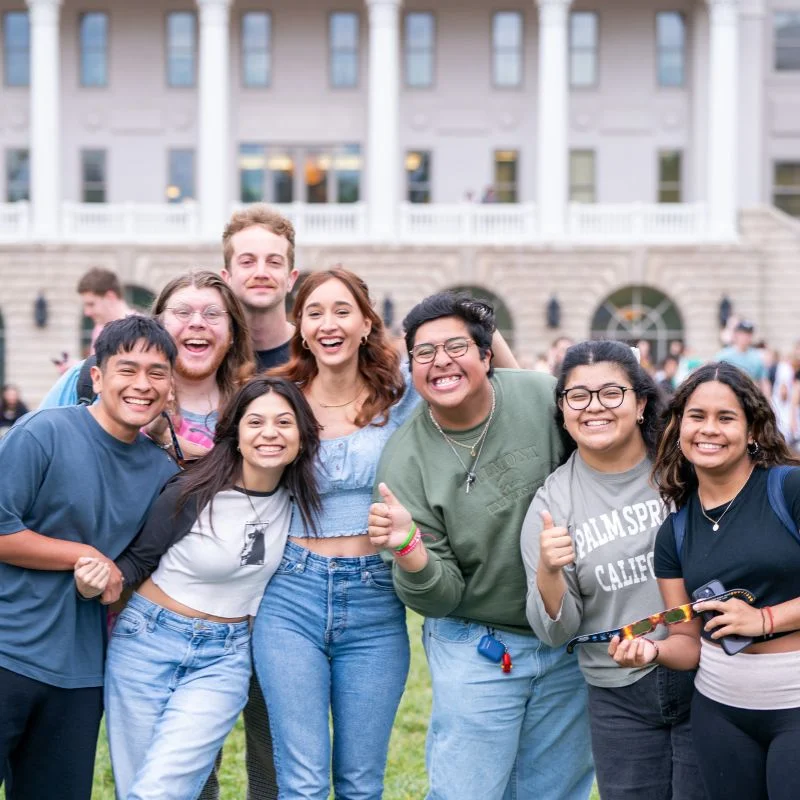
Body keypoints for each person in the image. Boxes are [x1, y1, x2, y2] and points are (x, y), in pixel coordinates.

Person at [367, 292, 593, 800]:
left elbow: (605, 461)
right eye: (423, 353)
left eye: (455, 346)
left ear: (487, 356)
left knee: (557, 792)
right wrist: (410, 550)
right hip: (476, 644)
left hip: (568, 636)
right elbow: (440, 596)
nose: (440, 362)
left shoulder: (541, 397)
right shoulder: (404, 461)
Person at [77, 377, 320, 800]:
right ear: (237, 435)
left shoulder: (299, 503)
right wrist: (92, 583)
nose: (269, 433)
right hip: (147, 642)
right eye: (255, 422)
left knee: (164, 788)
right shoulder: (193, 491)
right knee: (137, 787)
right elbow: (133, 565)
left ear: (301, 437)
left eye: (284, 422)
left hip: (224, 657)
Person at [251, 267, 417, 800]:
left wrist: (486, 327)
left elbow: (492, 388)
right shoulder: (279, 397)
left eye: (343, 311)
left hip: (375, 599)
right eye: (314, 312)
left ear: (367, 323)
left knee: (361, 783)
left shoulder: (401, 397)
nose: (329, 324)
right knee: (301, 781)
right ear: (299, 327)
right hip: (290, 594)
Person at [0, 317, 179, 800]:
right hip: (7, 652)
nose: (142, 384)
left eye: (157, 373)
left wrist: (114, 580)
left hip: (80, 677)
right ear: (97, 376)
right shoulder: (43, 432)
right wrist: (82, 554)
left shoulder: (161, 473)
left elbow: (134, 568)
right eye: (128, 369)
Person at [521, 340, 704, 799]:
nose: (593, 407)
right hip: (619, 694)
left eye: (611, 393)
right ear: (562, 409)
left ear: (640, 402)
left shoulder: (684, 470)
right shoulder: (552, 503)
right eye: (578, 396)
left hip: (710, 677)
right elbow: (556, 631)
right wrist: (548, 570)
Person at [611, 362, 800, 800]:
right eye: (697, 417)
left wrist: (765, 619)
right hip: (720, 715)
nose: (708, 429)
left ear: (752, 430)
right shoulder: (674, 532)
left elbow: (761, 619)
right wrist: (651, 651)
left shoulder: (789, 489)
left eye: (726, 417)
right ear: (678, 427)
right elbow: (687, 642)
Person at [40, 270, 254, 460]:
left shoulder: (252, 409)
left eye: (212, 313)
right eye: (182, 312)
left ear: (232, 333)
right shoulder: (86, 379)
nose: (197, 323)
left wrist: (165, 438)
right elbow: (32, 452)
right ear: (159, 324)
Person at [222, 204, 299, 372]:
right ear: (227, 278)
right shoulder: (211, 356)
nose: (261, 273)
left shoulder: (313, 352)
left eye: (274, 262)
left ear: (290, 279)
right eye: (247, 262)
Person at [77, 267, 135, 352]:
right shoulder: (99, 329)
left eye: (91, 304)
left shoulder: (139, 331)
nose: (87, 313)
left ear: (110, 297)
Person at [715, 320, 770, 394]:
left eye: (748, 334)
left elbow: (763, 381)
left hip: (750, 394)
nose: (745, 337)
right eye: (743, 333)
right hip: (730, 393)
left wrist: (767, 399)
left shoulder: (757, 356)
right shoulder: (724, 355)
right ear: (736, 334)